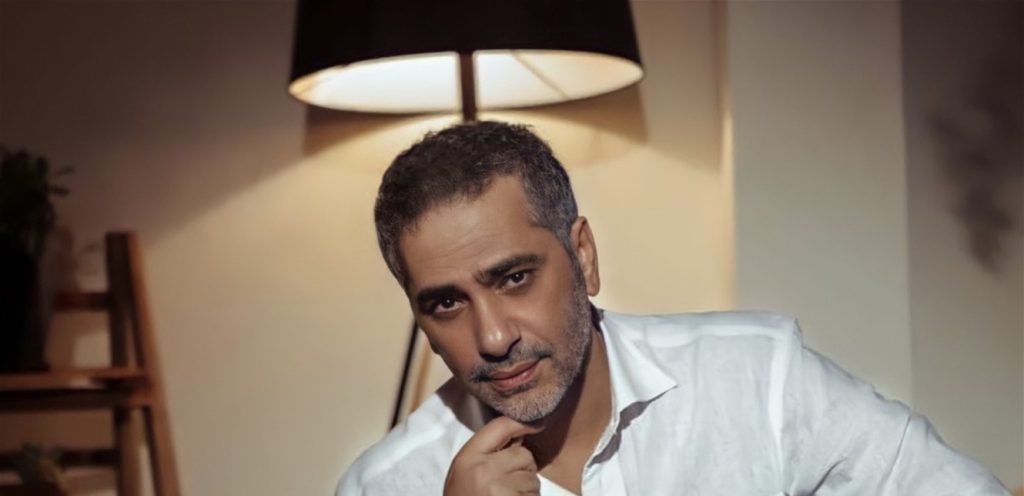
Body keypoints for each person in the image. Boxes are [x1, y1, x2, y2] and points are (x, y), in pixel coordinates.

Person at [339, 121, 1009, 495]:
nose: (491, 337)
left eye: (515, 278)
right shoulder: (386, 487)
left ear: (583, 256)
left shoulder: (755, 378)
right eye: (446, 303)